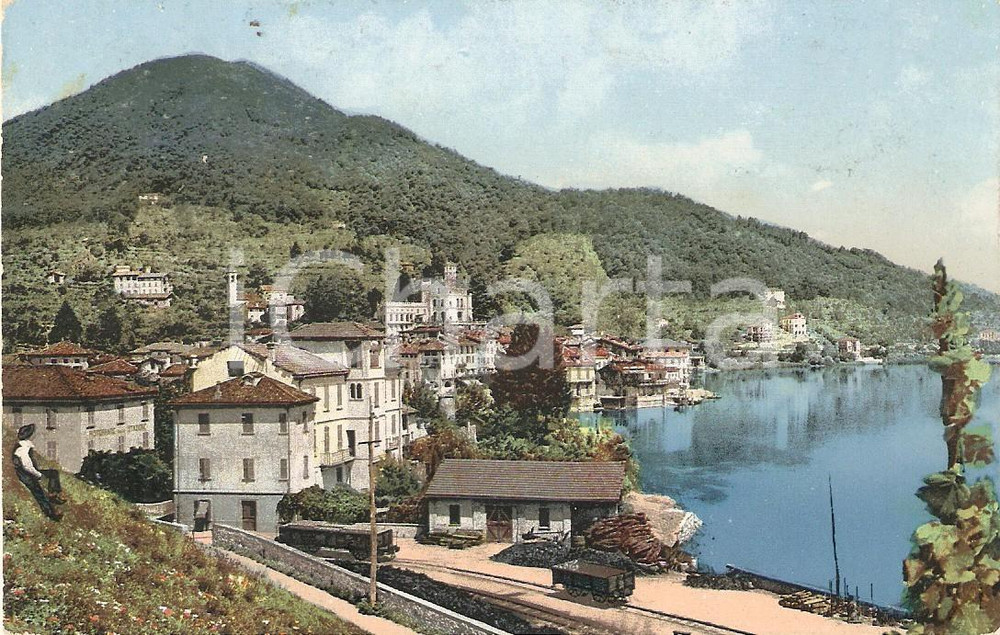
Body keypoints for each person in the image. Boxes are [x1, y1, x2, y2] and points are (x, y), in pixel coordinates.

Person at [12, 424, 64, 520]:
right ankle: (51, 514)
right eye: (33, 433)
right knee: (39, 493)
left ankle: (53, 494)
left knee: (54, 473)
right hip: (26, 475)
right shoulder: (23, 448)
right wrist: (38, 475)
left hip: (28, 472)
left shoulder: (25, 444)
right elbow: (27, 466)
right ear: (30, 435)